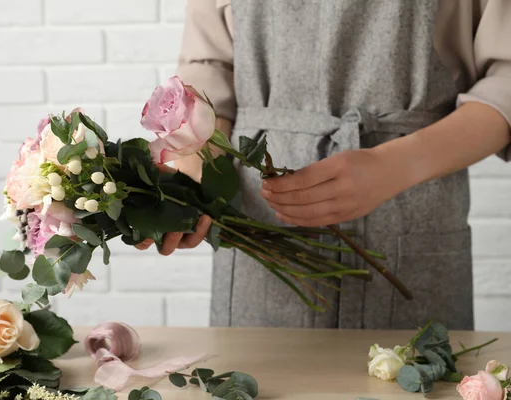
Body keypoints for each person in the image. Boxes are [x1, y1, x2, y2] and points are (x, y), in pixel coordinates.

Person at [136, 1, 511, 330]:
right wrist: (195, 167)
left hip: (414, 209)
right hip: (261, 223)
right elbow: (210, 64)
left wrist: (396, 166)